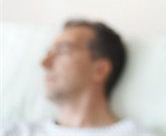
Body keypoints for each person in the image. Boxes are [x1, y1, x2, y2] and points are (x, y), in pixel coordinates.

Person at [2, 19, 154, 136]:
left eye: (62, 51)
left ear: (100, 70)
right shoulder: (15, 132)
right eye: (48, 53)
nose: (45, 63)